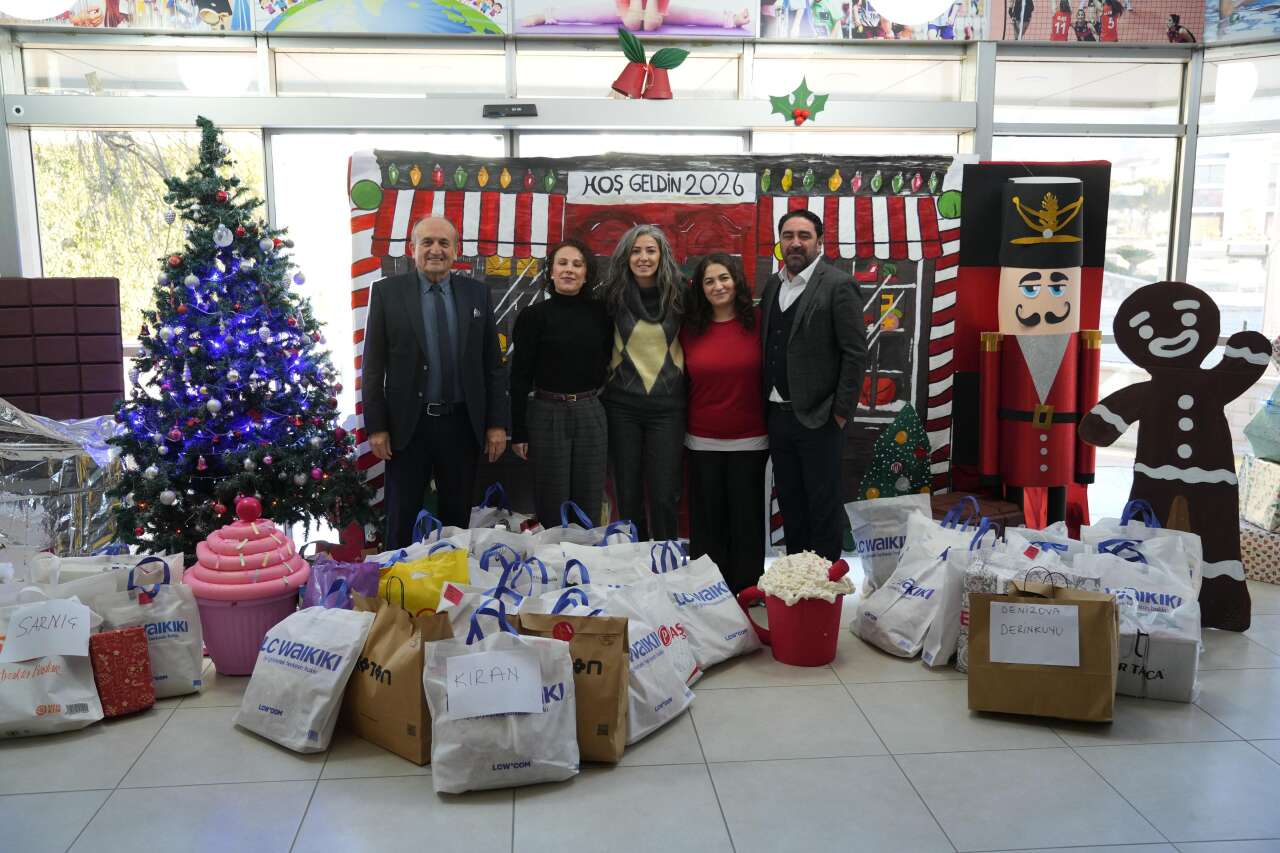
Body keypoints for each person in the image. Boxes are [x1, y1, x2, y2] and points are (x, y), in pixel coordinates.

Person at [361, 216, 508, 548]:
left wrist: (497, 424)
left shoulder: (477, 294)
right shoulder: (387, 293)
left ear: (456, 251)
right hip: (407, 428)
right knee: (401, 520)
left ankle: (452, 591)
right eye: (427, 242)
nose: (435, 250)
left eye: (444, 243)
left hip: (461, 426)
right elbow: (372, 367)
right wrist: (376, 427)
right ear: (412, 249)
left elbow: (493, 366)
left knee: (456, 521)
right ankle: (394, 590)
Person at [761, 210, 868, 563]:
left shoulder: (838, 285)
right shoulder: (773, 285)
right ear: (780, 242)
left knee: (822, 509)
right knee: (791, 505)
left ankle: (822, 595)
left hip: (821, 419)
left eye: (804, 235)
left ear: (819, 242)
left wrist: (839, 414)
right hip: (778, 417)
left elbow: (855, 354)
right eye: (788, 235)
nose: (795, 242)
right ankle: (796, 584)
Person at [509, 239, 613, 530]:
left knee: (588, 502)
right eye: (563, 263)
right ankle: (553, 569)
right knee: (551, 503)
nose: (569, 270)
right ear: (551, 271)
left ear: (587, 273)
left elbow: (609, 363)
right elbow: (519, 377)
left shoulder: (603, 315)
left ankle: (584, 568)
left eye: (577, 265)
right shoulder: (533, 317)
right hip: (546, 412)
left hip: (590, 412)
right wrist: (518, 431)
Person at [681, 254, 768, 593]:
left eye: (724, 278)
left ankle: (748, 589)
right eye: (709, 281)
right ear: (700, 289)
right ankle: (709, 590)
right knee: (707, 523)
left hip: (751, 439)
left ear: (736, 281)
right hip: (702, 439)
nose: (718, 286)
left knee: (746, 521)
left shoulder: (758, 322)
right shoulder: (689, 329)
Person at [601, 224, 686, 542]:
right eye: (636, 251)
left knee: (665, 494)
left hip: (668, 409)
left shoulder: (681, 293)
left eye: (650, 250)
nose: (643, 257)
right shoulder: (611, 295)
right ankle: (635, 562)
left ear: (662, 255)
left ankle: (665, 559)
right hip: (622, 407)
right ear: (626, 256)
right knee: (628, 492)